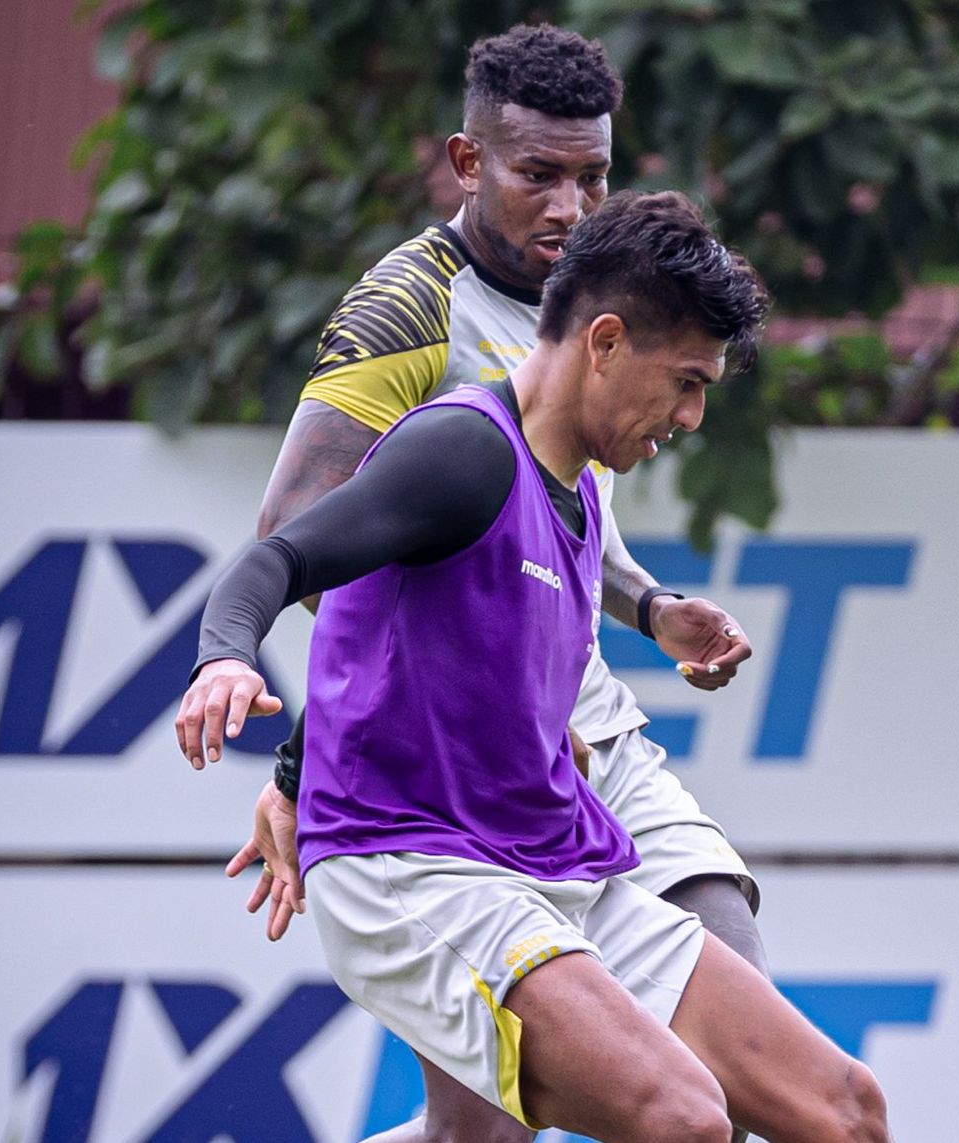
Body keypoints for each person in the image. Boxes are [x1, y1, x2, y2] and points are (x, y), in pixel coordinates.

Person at [177, 190, 891, 1143]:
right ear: (605, 342)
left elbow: (397, 648)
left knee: (846, 1112)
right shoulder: (462, 451)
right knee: (683, 1119)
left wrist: (301, 775)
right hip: (414, 868)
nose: (691, 415)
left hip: (547, 861)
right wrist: (225, 661)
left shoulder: (580, 493)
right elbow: (276, 559)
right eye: (686, 382)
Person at [224, 26, 768, 1141]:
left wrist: (650, 608)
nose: (570, 205)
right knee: (489, 1133)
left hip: (584, 729)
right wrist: (341, 743)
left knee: (740, 1038)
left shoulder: (599, 296)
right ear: (468, 164)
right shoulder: (409, 308)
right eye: (538, 175)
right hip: (459, 765)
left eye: (593, 176)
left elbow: (559, 519)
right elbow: (299, 531)